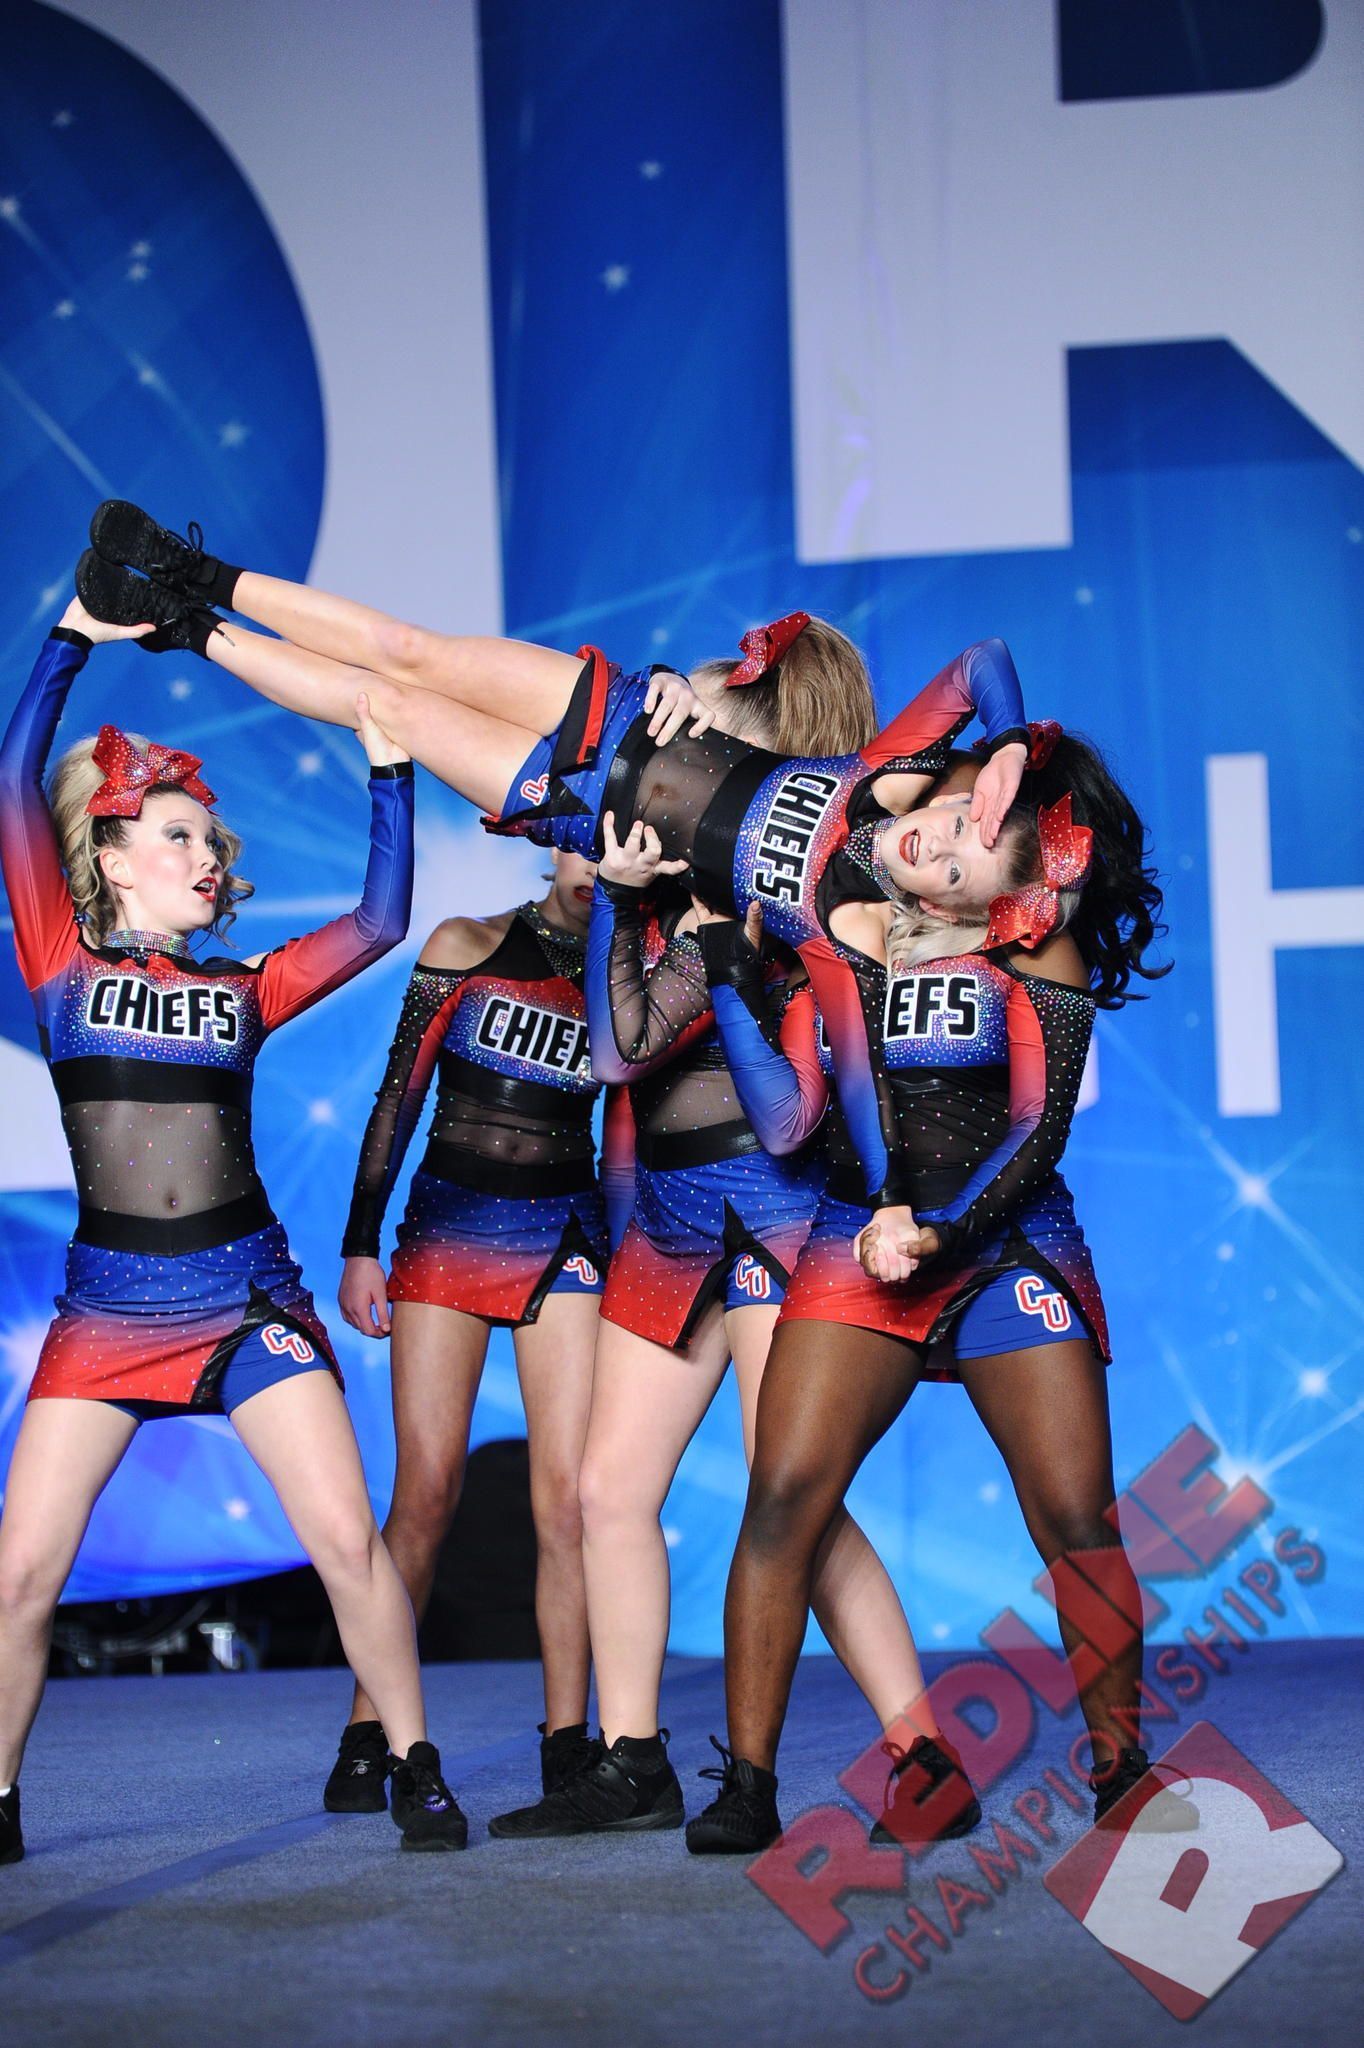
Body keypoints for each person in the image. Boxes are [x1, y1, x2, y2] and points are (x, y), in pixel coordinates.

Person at [71, 508, 1034, 1173]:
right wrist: (1010, 752)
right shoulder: (876, 774)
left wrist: (891, 1188)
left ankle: (182, 624)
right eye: (960, 818)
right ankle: (197, 568)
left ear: (944, 910)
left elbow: (793, 1123)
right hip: (622, 716)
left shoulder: (831, 941)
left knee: (387, 706)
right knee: (412, 649)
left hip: (580, 803)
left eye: (959, 863)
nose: (939, 837)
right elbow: (982, 662)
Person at [0, 597, 467, 1861]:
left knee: (342, 1541)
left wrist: (386, 765)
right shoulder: (57, 966)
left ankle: (412, 1760)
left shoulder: (245, 989)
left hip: (248, 1301)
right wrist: (73, 632)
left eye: (211, 838)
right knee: (19, 1573)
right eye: (179, 834)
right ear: (108, 854)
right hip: (106, 1313)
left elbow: (378, 921)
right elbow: (8, 772)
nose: (208, 856)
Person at [679, 731, 1173, 1852]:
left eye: (974, 850)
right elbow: (789, 1121)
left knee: (1073, 1514)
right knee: (783, 1495)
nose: (946, 843)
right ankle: (746, 1784)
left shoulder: (1036, 959)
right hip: (856, 1238)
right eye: (952, 822)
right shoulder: (839, 923)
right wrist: (727, 968)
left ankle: (1119, 1765)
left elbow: (1034, 1132)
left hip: (1003, 1241)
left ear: (1017, 890)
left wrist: (940, 1228)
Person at [489, 635, 944, 1842]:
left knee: (792, 1499)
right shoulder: (679, 857)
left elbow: (619, 1048)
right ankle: (632, 1756)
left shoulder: (784, 882)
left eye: (710, 705)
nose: (679, 728)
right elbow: (619, 1041)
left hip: (777, 1205)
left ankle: (919, 1748)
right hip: (675, 1216)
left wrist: (636, 900)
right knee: (602, 1490)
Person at [328, 849, 610, 1822]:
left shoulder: (625, 984)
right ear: (551, 842)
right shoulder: (466, 945)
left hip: (564, 1234)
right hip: (447, 1230)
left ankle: (567, 1741)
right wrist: (361, 1243)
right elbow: (398, 1095)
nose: (594, 861)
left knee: (567, 1500)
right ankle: (370, 1730)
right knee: (426, 1492)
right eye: (578, 838)